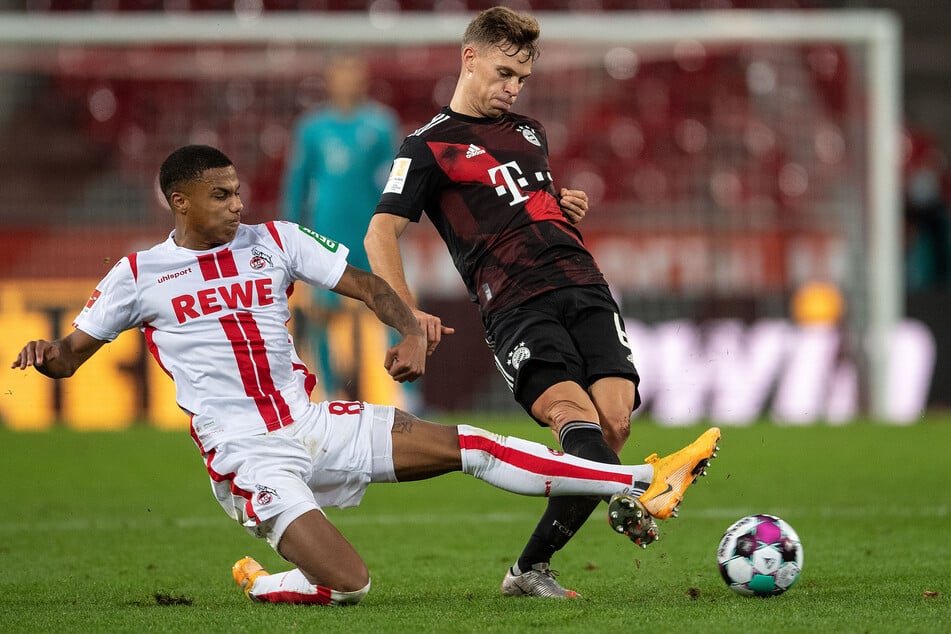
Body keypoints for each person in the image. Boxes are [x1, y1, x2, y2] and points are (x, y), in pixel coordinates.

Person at [11, 144, 719, 606]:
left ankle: (643, 480)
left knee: (467, 443)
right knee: (349, 586)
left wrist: (408, 323)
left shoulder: (277, 240)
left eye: (237, 192)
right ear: (180, 203)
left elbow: (360, 283)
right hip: (244, 454)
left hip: (310, 423)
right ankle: (268, 584)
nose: (237, 204)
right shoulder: (137, 275)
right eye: (221, 196)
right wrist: (48, 355)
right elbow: (74, 354)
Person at [364, 6, 647, 598]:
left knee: (615, 423)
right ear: (469, 59)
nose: (512, 88)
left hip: (584, 282)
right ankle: (618, 500)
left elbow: (522, 198)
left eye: (520, 78)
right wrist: (406, 316)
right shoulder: (425, 146)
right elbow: (379, 233)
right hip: (515, 301)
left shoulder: (529, 131)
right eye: (502, 73)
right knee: (576, 421)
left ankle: (528, 572)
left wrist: (559, 203)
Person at [282, 52, 401, 403]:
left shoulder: (381, 124)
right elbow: (296, 184)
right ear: (330, 80)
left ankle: (406, 392)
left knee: (394, 309)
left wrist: (395, 225)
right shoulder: (312, 128)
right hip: (326, 237)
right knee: (321, 315)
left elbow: (395, 182)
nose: (348, 81)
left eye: (354, 73)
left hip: (371, 237)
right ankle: (333, 393)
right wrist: (289, 234)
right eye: (341, 73)